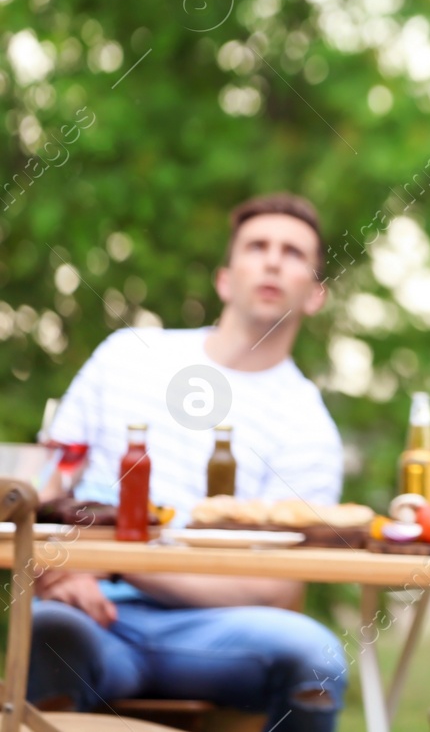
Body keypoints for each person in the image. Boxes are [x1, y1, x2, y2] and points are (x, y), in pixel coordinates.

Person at [28, 193, 348, 729]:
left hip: (222, 633)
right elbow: (46, 483)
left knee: (319, 659)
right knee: (49, 633)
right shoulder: (126, 355)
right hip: (91, 614)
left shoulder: (310, 425)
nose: (273, 260)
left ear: (315, 296)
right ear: (225, 279)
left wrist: (121, 560)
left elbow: (277, 587)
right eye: (258, 246)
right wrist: (52, 570)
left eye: (293, 252)